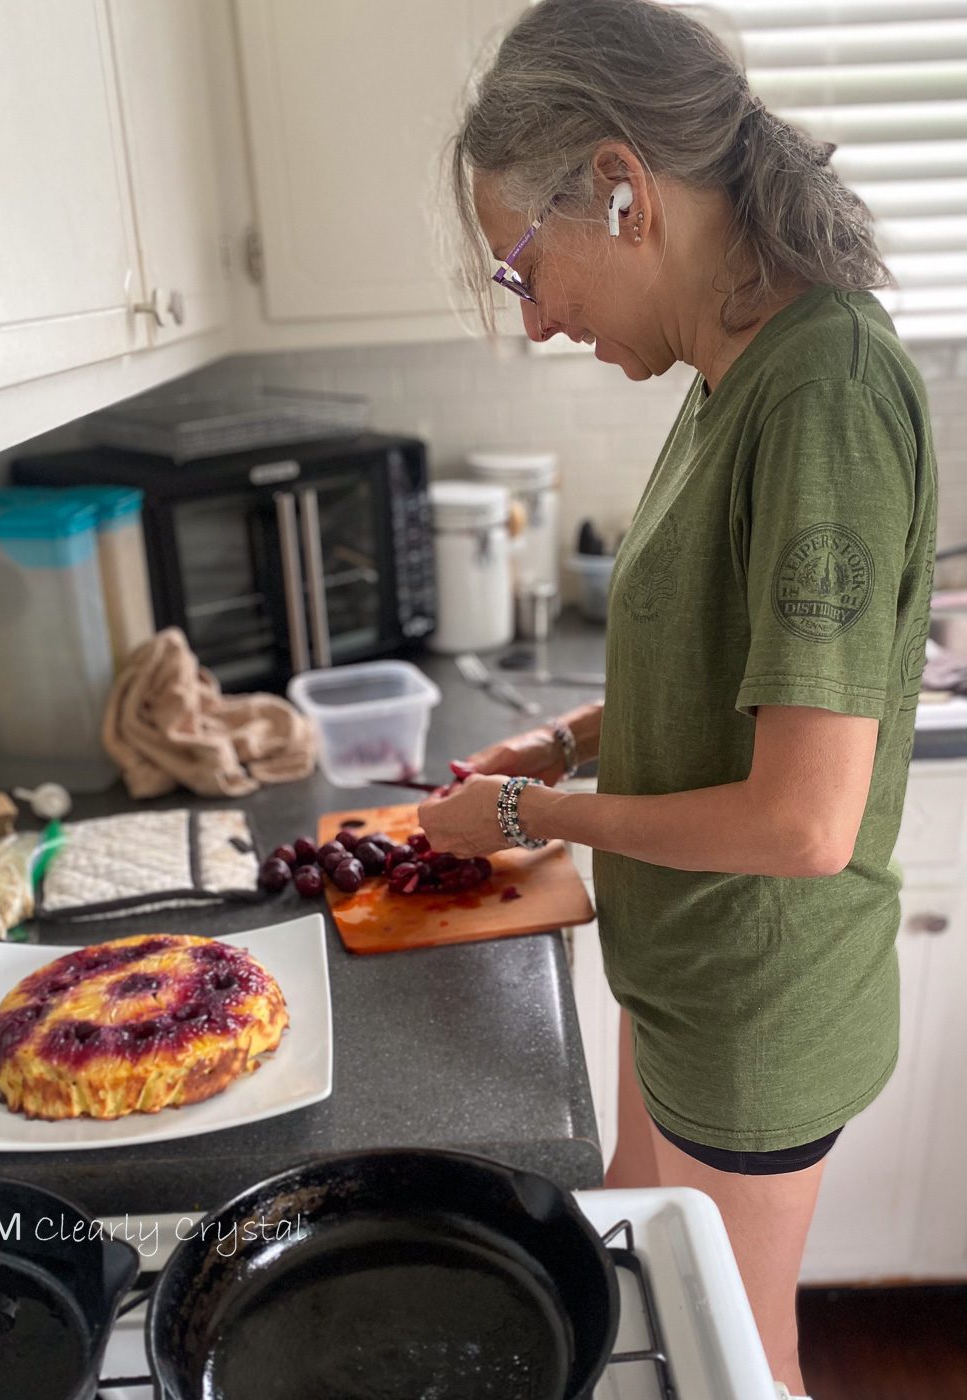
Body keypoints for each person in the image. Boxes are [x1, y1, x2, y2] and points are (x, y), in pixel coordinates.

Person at [418, 1, 938, 1393]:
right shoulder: (729, 375)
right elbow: (709, 664)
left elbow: (800, 825)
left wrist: (532, 808)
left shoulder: (818, 389)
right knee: (625, 1287)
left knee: (725, 1366)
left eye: (523, 268)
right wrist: (570, 735)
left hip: (756, 1001)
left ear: (622, 190)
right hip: (688, 978)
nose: (532, 319)